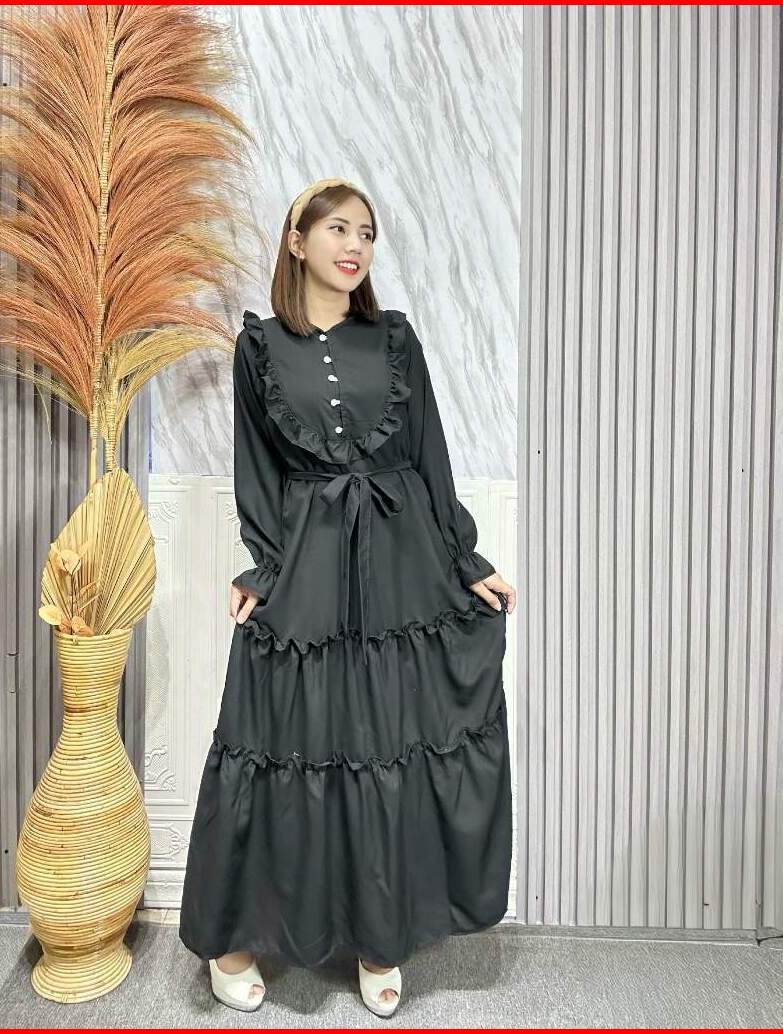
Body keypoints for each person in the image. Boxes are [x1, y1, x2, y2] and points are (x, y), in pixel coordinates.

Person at [178, 177, 516, 1017]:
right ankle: (233, 936)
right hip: (309, 561)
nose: (355, 244)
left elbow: (429, 455)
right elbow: (258, 471)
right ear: (297, 240)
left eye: (366, 232)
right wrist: (264, 567)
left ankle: (378, 932)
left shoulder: (394, 339)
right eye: (337, 228)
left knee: (387, 743)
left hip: (403, 565)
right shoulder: (259, 349)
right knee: (276, 736)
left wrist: (464, 557)